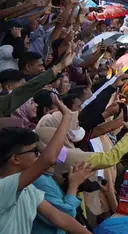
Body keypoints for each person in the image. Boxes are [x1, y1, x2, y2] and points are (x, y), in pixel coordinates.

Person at [0, 94, 91, 234]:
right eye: (35, 151)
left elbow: (60, 218)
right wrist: (66, 116)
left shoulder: (28, 189)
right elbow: (49, 159)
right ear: (15, 159)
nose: (39, 155)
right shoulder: (4, 186)